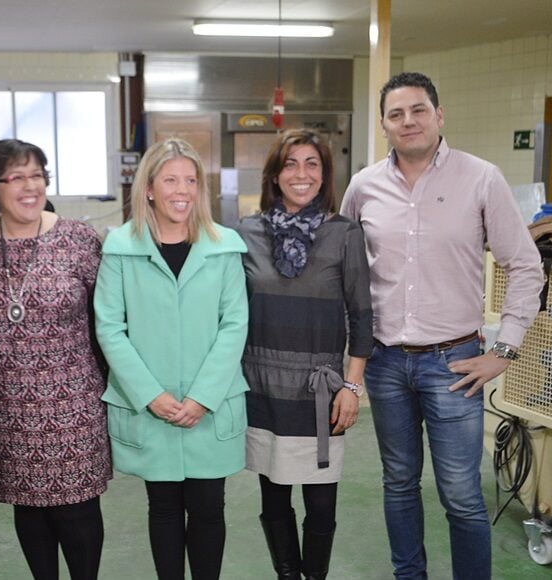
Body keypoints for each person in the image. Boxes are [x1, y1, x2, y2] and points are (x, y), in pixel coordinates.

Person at [340, 72, 544, 579]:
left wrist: (505, 349)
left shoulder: (481, 178)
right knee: (399, 482)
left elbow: (525, 265)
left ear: (439, 115)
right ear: (384, 124)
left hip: (454, 363)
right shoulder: (364, 187)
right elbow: (344, 268)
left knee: (461, 493)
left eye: (418, 110)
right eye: (396, 114)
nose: (408, 121)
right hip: (385, 362)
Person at [94, 138, 249, 580]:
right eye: (170, 180)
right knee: (162, 508)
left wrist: (202, 397)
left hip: (209, 408)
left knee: (208, 508)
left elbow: (234, 324)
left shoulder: (224, 247)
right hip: (151, 408)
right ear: (148, 188)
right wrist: (151, 395)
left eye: (191, 180)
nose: (182, 191)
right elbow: (110, 327)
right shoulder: (121, 248)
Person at [0, 139, 111, 579]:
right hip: (6, 406)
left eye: (37, 176)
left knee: (78, 510)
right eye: (17, 177)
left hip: (73, 405)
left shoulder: (78, 239)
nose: (30, 187)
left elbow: (105, 316)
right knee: (28, 508)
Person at [240, 129, 372, 580]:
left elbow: (362, 314)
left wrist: (352, 386)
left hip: (321, 392)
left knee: (321, 504)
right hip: (264, 386)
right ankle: (286, 574)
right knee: (274, 498)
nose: (302, 174)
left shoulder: (344, 234)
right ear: (275, 175)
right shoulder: (247, 233)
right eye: (290, 164)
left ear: (325, 174)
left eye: (312, 163)